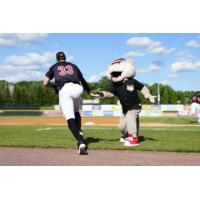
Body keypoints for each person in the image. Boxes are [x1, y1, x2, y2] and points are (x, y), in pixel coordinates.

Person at [93, 58, 156, 146]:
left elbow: (143, 88)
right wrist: (102, 94)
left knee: (131, 119)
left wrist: (148, 95)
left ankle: (133, 139)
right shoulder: (115, 84)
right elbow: (110, 94)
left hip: (135, 106)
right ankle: (126, 134)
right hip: (125, 108)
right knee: (121, 127)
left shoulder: (132, 81)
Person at [43, 51, 91, 155]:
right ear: (65, 58)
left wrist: (54, 87)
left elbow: (45, 82)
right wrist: (89, 91)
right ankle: (79, 130)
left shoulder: (54, 66)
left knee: (70, 117)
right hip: (78, 88)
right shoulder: (73, 65)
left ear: (57, 59)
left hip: (64, 89)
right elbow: (83, 80)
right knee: (76, 111)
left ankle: (81, 142)